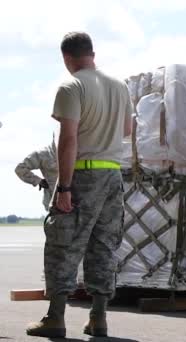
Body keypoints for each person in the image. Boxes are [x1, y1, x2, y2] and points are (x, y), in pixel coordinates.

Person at [26, 32, 133, 338]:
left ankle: (55, 318)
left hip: (83, 175)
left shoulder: (71, 86)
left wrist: (64, 187)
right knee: (104, 246)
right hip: (113, 175)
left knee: (63, 244)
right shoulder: (119, 86)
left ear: (66, 58)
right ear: (92, 53)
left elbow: (68, 139)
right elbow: (126, 130)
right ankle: (98, 318)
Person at [15, 139, 58, 211]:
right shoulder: (43, 154)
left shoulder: (77, 152)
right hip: (54, 203)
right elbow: (20, 168)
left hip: (77, 200)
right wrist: (38, 181)